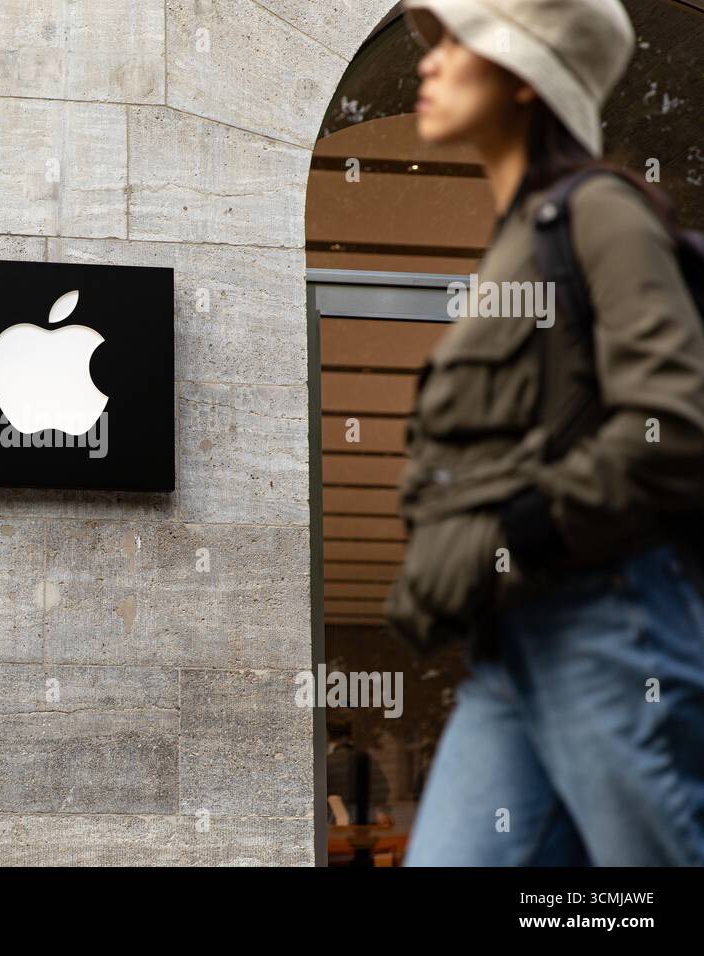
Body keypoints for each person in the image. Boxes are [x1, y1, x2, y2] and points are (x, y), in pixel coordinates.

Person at [385, 0, 704, 865]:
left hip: (606, 624)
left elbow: (669, 425)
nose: (430, 63)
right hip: (511, 647)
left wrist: (519, 531)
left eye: (457, 43)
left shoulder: (597, 214)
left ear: (525, 80)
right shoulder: (515, 243)